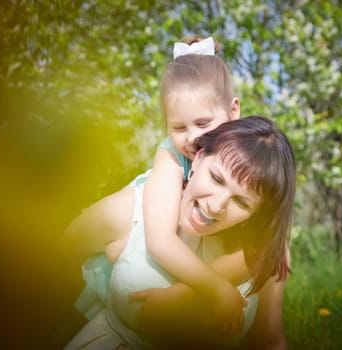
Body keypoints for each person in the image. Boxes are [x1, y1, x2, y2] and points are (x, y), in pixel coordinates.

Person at [63, 116, 296, 349]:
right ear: (198, 158)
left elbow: (269, 342)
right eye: (216, 179)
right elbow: (54, 260)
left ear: (256, 213)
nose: (216, 206)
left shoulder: (268, 253)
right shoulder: (131, 212)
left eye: (241, 202)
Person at [134, 35, 246, 330]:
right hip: (163, 237)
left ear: (233, 111)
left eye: (204, 123)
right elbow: (160, 241)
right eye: (178, 127)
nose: (193, 137)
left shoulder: (244, 150)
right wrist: (219, 289)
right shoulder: (171, 155)